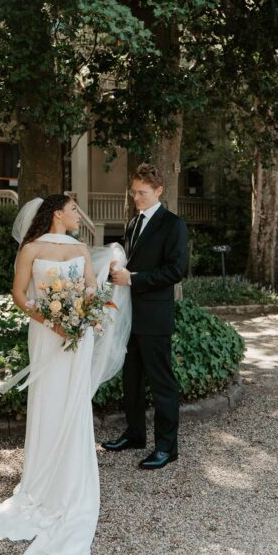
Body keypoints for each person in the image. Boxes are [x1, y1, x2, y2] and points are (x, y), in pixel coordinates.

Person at [0, 194, 131, 555]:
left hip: (78, 336)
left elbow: (90, 289)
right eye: (73, 210)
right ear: (57, 214)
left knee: (73, 401)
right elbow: (19, 295)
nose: (78, 216)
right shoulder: (31, 249)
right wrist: (53, 322)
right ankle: (42, 482)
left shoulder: (80, 248)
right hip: (47, 334)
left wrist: (84, 314)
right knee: (49, 399)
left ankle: (70, 480)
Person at [103, 163, 188, 470]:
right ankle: (135, 434)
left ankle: (167, 447)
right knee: (132, 380)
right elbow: (130, 266)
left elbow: (176, 271)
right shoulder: (132, 223)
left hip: (154, 317)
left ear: (159, 190)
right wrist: (116, 272)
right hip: (129, 316)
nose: (136, 197)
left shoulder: (173, 225)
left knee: (161, 383)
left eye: (142, 193)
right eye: (134, 192)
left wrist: (134, 278)